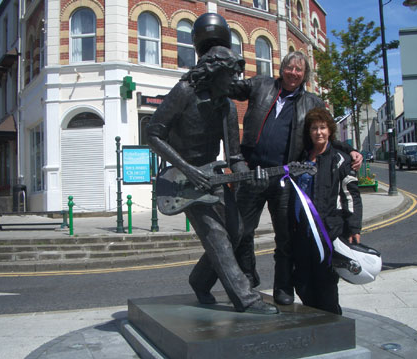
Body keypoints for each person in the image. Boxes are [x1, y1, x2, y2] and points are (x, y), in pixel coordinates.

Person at [146, 44, 278, 315]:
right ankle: (246, 298)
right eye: (231, 75)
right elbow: (153, 134)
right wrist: (185, 167)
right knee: (217, 236)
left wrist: (251, 176)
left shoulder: (228, 108)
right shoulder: (184, 93)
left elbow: (234, 157)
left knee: (237, 231)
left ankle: (200, 280)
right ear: (214, 73)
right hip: (182, 180)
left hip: (212, 178)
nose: (235, 81)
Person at [229, 51, 363, 305]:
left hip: (284, 177)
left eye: (299, 70)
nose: (293, 73)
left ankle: (283, 286)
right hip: (252, 173)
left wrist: (350, 150)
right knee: (241, 231)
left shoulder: (311, 102)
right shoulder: (262, 85)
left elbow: (327, 132)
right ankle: (248, 274)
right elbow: (233, 88)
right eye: (289, 68)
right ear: (282, 68)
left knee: (285, 236)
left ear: (304, 75)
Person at [290, 107, 362, 314]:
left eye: (322, 128)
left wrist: (354, 226)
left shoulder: (340, 159)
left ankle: (332, 323)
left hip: (327, 231)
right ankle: (313, 321)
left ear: (330, 130)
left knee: (326, 283)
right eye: (314, 128)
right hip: (302, 231)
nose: (318, 132)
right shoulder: (302, 156)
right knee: (302, 281)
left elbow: (351, 195)